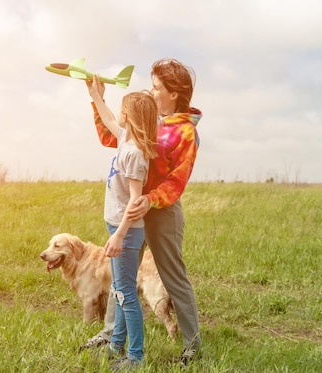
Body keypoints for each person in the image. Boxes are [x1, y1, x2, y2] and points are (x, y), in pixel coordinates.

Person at [81, 58, 202, 367]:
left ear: (174, 93)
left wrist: (150, 200)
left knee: (173, 277)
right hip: (132, 213)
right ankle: (110, 335)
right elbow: (112, 136)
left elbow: (177, 180)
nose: (151, 91)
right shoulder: (148, 119)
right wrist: (98, 100)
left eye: (157, 87)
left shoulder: (186, 133)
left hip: (161, 212)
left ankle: (192, 345)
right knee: (122, 274)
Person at [87, 74, 159, 370]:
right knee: (119, 289)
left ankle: (137, 356)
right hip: (117, 226)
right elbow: (107, 120)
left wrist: (119, 237)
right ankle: (116, 345)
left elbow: (134, 200)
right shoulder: (125, 139)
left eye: (120, 107)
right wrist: (96, 96)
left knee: (127, 293)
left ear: (127, 115)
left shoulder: (133, 154)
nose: (115, 112)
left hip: (125, 232)